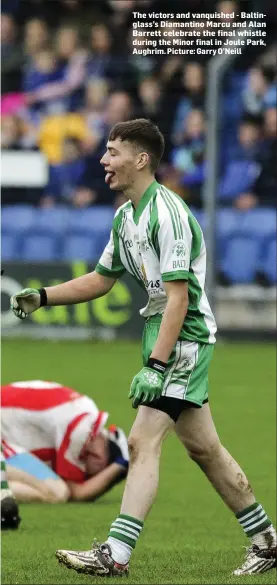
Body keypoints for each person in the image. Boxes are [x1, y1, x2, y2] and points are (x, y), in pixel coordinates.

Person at [10, 119, 276, 577]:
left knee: (141, 440)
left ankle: (115, 553)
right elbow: (100, 279)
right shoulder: (125, 215)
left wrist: (157, 364)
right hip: (163, 333)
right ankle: (267, 541)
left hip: (183, 335)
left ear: (141, 159)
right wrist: (45, 296)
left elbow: (179, 298)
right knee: (204, 448)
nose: (103, 161)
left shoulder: (168, 215)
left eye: (113, 152)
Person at [1, 379, 129, 503]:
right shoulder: (81, 430)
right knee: (57, 492)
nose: (84, 470)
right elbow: (77, 493)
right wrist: (120, 465)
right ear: (98, 458)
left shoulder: (85, 409)